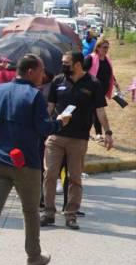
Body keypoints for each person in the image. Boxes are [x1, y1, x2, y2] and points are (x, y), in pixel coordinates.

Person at [0, 53, 65, 265]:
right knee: (30, 212)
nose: (43, 75)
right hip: (26, 164)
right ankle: (33, 257)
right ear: (30, 71)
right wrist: (60, 123)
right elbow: (44, 128)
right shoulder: (34, 96)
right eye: (41, 70)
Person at [42, 51, 113, 229]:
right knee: (50, 175)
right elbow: (50, 107)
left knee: (75, 178)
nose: (63, 65)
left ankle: (71, 214)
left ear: (78, 64)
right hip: (56, 137)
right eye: (62, 62)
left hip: (78, 139)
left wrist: (108, 133)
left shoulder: (93, 84)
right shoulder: (58, 81)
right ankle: (48, 213)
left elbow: (100, 111)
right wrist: (42, 128)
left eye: (66, 63)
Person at [87, 37, 117, 141]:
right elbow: (83, 72)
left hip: (102, 90)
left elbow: (109, 73)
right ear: (98, 47)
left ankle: (95, 133)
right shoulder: (90, 58)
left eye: (107, 47)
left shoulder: (107, 59)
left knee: (95, 111)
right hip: (91, 90)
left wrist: (115, 83)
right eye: (104, 47)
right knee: (95, 111)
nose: (106, 49)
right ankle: (97, 133)